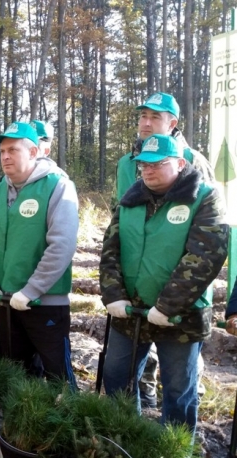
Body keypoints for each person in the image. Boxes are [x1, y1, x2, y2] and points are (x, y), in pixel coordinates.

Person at [100, 133, 227, 434]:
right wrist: (114, 295)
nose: (148, 170)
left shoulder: (205, 198)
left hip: (181, 318)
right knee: (117, 377)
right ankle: (126, 439)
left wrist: (167, 306)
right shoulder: (131, 199)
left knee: (177, 389)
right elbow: (110, 250)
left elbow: (205, 256)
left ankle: (172, 455)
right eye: (143, 164)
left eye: (158, 163)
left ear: (181, 163)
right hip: (130, 314)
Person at [115, 92, 213, 407]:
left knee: (180, 381)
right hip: (137, 289)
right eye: (142, 115)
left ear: (172, 122)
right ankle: (143, 399)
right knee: (127, 374)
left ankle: (179, 430)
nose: (146, 122)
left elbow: (206, 230)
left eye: (155, 117)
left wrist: (176, 297)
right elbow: (121, 222)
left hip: (180, 295)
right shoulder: (126, 163)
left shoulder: (193, 160)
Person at [0, 122, 79, 384]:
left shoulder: (58, 187)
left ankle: (66, 422)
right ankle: (16, 425)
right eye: (2, 151)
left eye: (13, 150)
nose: (6, 156)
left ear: (33, 152)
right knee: (13, 376)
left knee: (59, 380)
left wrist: (32, 290)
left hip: (46, 305)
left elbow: (61, 246)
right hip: (5, 302)